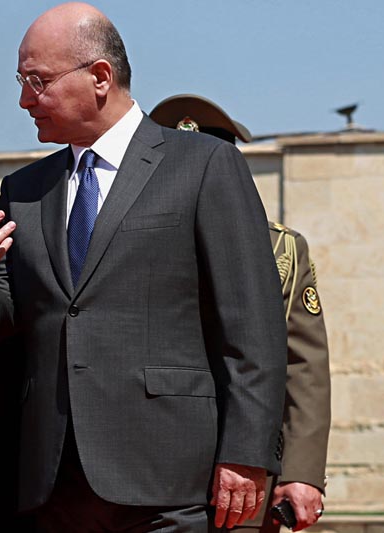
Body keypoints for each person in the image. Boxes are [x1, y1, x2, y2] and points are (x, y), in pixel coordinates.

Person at [0, 3, 288, 531]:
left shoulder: (203, 165)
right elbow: (10, 316)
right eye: (21, 80)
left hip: (172, 480)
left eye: (37, 81)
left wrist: (245, 451)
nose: (23, 99)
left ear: (100, 77)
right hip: (54, 482)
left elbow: (252, 326)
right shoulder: (25, 191)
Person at [150, 93, 331, 533]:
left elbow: (302, 364)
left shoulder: (281, 248)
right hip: (142, 465)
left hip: (242, 471)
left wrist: (301, 472)